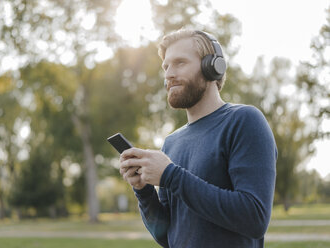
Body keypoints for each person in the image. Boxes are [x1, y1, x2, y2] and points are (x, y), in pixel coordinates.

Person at [119, 29, 277, 248]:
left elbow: (254, 218)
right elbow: (167, 235)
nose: (168, 74)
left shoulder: (244, 121)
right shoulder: (171, 143)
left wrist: (170, 175)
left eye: (180, 63)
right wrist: (143, 190)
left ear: (212, 67)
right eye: (166, 66)